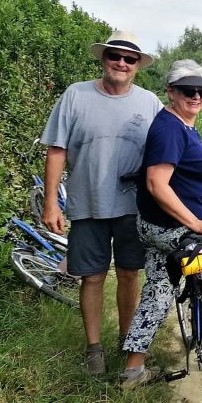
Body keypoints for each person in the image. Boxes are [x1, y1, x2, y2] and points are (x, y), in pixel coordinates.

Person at [121, 59, 202, 388]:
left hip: (153, 225)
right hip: (173, 228)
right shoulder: (168, 127)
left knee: (158, 292)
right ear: (171, 91)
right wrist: (197, 222)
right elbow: (157, 183)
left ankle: (133, 369)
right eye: (187, 90)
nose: (196, 96)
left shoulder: (180, 124)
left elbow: (186, 154)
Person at [40, 30, 161, 376]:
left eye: (129, 58)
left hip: (133, 206)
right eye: (115, 56)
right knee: (91, 278)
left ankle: (128, 339)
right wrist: (52, 202)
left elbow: (168, 147)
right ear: (103, 58)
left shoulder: (149, 102)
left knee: (128, 274)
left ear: (137, 66)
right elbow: (56, 149)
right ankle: (93, 348)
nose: (121, 63)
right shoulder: (75, 95)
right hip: (87, 202)